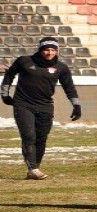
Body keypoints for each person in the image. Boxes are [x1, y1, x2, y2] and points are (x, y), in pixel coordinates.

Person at [1, 37, 81, 180]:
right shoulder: (24, 61)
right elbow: (9, 75)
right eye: (46, 49)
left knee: (41, 138)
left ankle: (34, 168)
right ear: (40, 49)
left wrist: (76, 105)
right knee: (29, 136)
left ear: (57, 51)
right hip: (23, 104)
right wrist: (5, 94)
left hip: (45, 106)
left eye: (53, 50)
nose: (49, 53)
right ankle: (33, 168)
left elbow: (69, 86)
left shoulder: (61, 67)